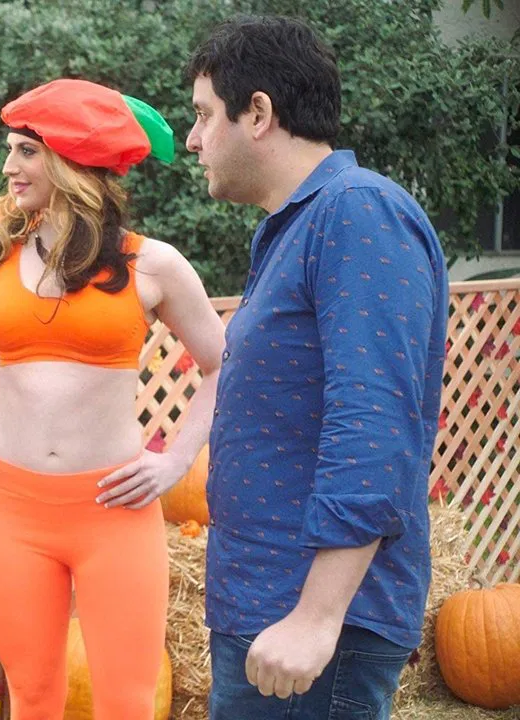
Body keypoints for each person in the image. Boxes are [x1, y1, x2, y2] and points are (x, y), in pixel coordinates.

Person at [184, 16, 448, 719]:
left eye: (204, 115)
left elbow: (375, 422)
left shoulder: (357, 212)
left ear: (259, 112)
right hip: (268, 608)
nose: (193, 139)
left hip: (311, 626)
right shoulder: (296, 225)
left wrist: (317, 616)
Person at [0, 79, 227, 720]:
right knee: (31, 697)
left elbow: (225, 363)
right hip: (11, 511)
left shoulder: (152, 264)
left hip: (114, 513)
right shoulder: (0, 254)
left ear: (71, 160)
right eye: (10, 149)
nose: (8, 166)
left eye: (26, 150)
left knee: (127, 703)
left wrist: (176, 461)